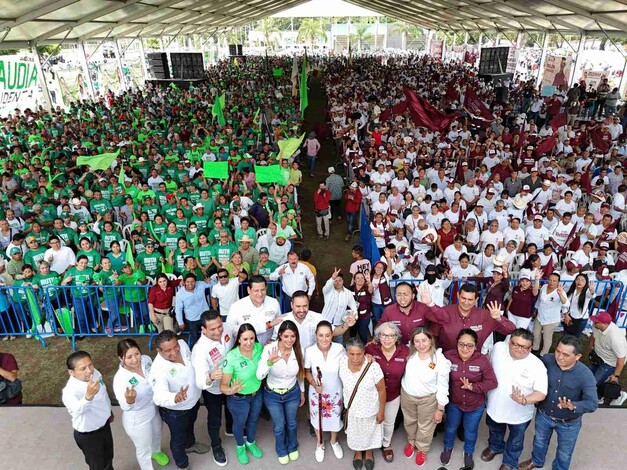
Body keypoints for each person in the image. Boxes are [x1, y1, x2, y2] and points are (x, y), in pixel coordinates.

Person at [518, 335, 598, 470]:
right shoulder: (547, 360)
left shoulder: (586, 375)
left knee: (564, 452)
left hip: (569, 422)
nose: (559, 357)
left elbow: (592, 403)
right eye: (557, 351)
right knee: (539, 441)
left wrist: (574, 405)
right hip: (544, 415)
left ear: (578, 356)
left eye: (565, 355)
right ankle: (537, 461)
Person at [482, 329, 548, 470]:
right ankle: (495, 447)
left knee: (516, 440)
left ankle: (509, 462)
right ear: (509, 342)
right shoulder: (499, 348)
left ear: (530, 348)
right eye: (515, 344)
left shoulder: (537, 365)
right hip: (495, 406)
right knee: (494, 429)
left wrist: (524, 400)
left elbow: (541, 393)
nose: (518, 348)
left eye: (524, 347)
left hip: (519, 413)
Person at [151, 330, 208, 470]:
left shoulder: (182, 344)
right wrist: (174, 397)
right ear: (159, 351)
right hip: (175, 411)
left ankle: (190, 444)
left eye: (175, 346)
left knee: (190, 426)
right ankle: (182, 465)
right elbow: (158, 396)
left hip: (193, 401)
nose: (174, 351)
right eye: (168, 350)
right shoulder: (158, 369)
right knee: (177, 438)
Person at [441, 329, 498, 469]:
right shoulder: (447, 356)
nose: (465, 349)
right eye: (461, 344)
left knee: (470, 431)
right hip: (455, 403)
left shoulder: (482, 360)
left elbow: (492, 382)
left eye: (470, 345)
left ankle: (468, 453)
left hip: (475, 405)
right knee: (450, 427)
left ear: (476, 345)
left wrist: (473, 386)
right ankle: (448, 448)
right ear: (456, 344)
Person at [112, 339, 169, 470]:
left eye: (136, 354)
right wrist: (129, 400)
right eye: (129, 357)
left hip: (154, 408)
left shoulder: (146, 360)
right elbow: (125, 406)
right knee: (143, 448)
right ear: (121, 358)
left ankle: (156, 451)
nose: (135, 360)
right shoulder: (120, 379)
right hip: (137, 417)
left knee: (157, 433)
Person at [257, 320, 306, 464]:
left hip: (292, 392)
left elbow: (300, 374)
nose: (289, 340)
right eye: (286, 336)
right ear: (279, 335)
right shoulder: (270, 349)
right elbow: (259, 375)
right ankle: (281, 449)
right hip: (273, 395)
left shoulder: (299, 350)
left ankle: (292, 446)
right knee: (279, 425)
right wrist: (269, 363)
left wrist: (302, 392)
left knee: (291, 423)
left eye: (293, 336)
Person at [401, 327, 451, 467]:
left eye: (424, 340)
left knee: (425, 426)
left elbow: (443, 385)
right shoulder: (410, 354)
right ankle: (411, 442)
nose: (420, 344)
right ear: (412, 343)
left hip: (428, 400)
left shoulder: (439, 360)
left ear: (431, 340)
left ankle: (422, 448)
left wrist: (440, 409)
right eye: (417, 341)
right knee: (409, 421)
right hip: (408, 396)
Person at [191, 310, 234, 466]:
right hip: (213, 390)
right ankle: (216, 446)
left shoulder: (227, 328)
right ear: (203, 329)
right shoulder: (200, 350)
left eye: (219, 326)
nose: (218, 331)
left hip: (230, 381)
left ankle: (230, 428)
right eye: (212, 329)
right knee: (215, 419)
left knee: (231, 408)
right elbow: (200, 382)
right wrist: (210, 377)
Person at [425, 283, 516, 353]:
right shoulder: (444, 312)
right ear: (458, 295)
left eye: (470, 299)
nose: (466, 302)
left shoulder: (485, 316)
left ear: (476, 300)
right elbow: (433, 338)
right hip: (446, 361)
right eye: (463, 298)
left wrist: (499, 318)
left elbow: (510, 330)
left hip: (474, 365)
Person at [364, 322, 409, 463]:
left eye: (391, 336)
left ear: (396, 337)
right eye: (383, 335)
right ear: (378, 336)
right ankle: (369, 445)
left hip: (393, 395)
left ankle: (386, 444)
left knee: (389, 422)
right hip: (373, 395)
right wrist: (365, 355)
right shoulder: (370, 349)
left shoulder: (405, 352)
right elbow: (355, 356)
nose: (387, 339)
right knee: (371, 421)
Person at [61, 351, 115, 470]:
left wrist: (108, 411)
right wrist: (88, 396)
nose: (89, 370)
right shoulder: (70, 391)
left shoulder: (95, 373)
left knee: (109, 457)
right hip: (89, 434)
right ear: (71, 372)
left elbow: (103, 394)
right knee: (97, 466)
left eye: (90, 365)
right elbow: (77, 410)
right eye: (83, 368)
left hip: (104, 425)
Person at [220, 323, 264, 464]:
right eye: (245, 339)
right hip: (239, 399)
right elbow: (223, 385)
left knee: (253, 420)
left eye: (252, 338)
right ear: (238, 339)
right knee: (239, 423)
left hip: (256, 394)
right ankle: (240, 446)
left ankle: (250, 442)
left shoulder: (259, 348)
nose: (249, 343)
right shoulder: (232, 357)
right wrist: (231, 390)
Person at [339, 337, 386, 470]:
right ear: (346, 353)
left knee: (370, 433)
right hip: (352, 410)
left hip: (370, 410)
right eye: (351, 354)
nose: (355, 358)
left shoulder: (373, 367)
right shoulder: (342, 362)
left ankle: (369, 451)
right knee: (356, 434)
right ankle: (358, 452)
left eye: (358, 354)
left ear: (364, 352)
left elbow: (382, 391)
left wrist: (381, 412)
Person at [305, 320, 346, 462]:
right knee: (317, 418)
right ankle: (320, 443)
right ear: (316, 335)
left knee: (335, 417)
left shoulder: (340, 348)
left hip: (335, 391)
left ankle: (334, 441)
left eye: (327, 335)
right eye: (321, 335)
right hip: (317, 392)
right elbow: (307, 372)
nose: (324, 339)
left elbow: (346, 368)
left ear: (332, 335)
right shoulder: (309, 351)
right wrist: (314, 384)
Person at [226, 275, 284, 345]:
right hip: (246, 350)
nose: (260, 294)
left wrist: (273, 339)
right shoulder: (237, 306)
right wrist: (267, 326)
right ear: (248, 290)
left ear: (266, 288)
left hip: (268, 348)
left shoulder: (274, 302)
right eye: (256, 290)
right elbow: (230, 329)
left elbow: (279, 324)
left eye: (263, 290)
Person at [588, 311, 626, 401]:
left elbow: (621, 359)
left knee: (595, 382)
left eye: (596, 322)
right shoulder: (597, 327)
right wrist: (591, 346)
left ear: (604, 324)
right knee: (587, 376)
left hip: (609, 363)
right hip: (597, 357)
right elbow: (593, 335)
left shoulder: (616, 338)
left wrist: (615, 376)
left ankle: (598, 398)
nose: (593, 323)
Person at [533, 272, 569, 355]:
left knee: (547, 337)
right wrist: (536, 308)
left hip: (551, 320)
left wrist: (560, 294)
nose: (551, 282)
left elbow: (566, 304)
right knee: (536, 333)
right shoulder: (544, 287)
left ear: (558, 282)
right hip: (540, 316)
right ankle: (535, 348)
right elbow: (539, 299)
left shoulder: (560, 291)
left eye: (554, 281)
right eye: (550, 280)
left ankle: (544, 354)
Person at [175, 273, 211, 346]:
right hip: (192, 319)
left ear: (195, 282)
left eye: (192, 281)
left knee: (209, 335)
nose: (190, 284)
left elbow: (213, 283)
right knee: (195, 338)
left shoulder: (200, 284)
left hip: (205, 316)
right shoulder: (180, 293)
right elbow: (178, 308)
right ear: (184, 282)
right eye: (188, 282)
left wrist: (209, 280)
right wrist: (180, 322)